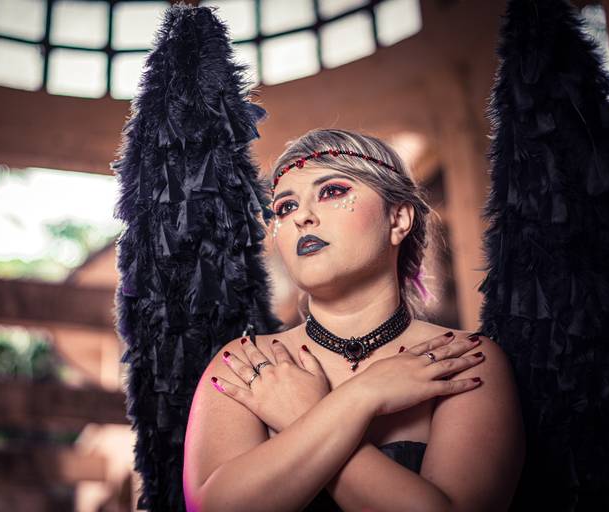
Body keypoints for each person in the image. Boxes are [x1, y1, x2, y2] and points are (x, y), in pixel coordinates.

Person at [183, 128, 526, 511]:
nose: (302, 218)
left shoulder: (463, 360)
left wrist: (304, 415)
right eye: (285, 207)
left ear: (398, 219)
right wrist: (362, 395)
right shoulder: (245, 364)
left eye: (332, 191)